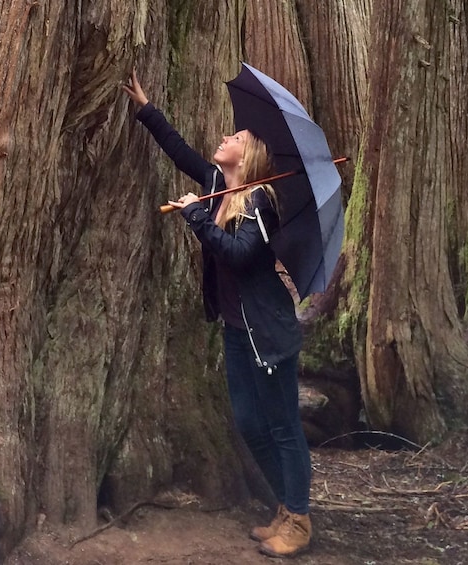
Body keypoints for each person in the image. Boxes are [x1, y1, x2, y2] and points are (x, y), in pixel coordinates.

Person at [122, 69, 312, 558]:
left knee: (284, 426)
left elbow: (240, 254)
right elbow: (178, 148)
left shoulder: (260, 201)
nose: (226, 137)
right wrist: (146, 109)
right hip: (235, 330)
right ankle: (284, 508)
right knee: (249, 424)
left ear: (248, 157)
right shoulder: (214, 184)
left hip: (266, 330)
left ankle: (299, 518)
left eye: (237, 137)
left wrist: (197, 218)